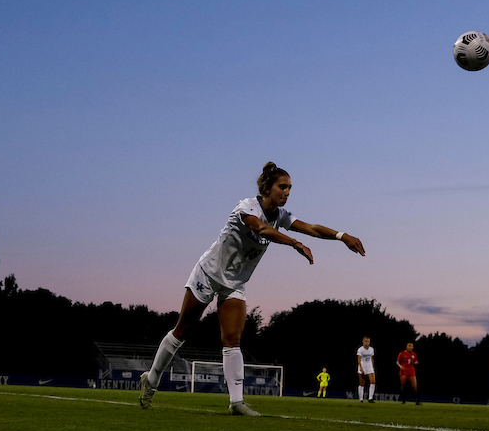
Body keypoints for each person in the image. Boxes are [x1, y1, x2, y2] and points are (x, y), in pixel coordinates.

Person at [137, 162, 365, 415]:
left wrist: (342, 235)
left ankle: (236, 402)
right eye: (282, 186)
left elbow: (311, 228)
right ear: (267, 188)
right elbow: (261, 228)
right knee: (182, 330)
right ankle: (152, 380)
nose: (287, 192)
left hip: (234, 283)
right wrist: (294, 243)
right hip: (209, 273)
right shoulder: (246, 206)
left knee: (232, 340)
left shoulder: (281, 215)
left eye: (290, 188)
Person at [357, 335, 377, 403]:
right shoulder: (360, 349)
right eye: (365, 341)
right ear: (363, 341)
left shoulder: (371, 349)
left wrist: (373, 367)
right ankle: (361, 398)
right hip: (362, 365)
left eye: (368, 341)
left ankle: (370, 398)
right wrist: (361, 369)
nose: (367, 342)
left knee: (373, 381)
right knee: (362, 383)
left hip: (369, 365)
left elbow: (372, 358)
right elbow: (359, 360)